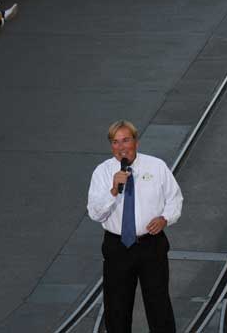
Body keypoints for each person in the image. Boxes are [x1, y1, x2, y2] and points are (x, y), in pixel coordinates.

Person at [87, 120, 183, 333]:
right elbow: (95, 213)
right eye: (115, 142)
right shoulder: (102, 173)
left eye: (126, 140)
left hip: (151, 244)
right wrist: (113, 190)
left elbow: (175, 199)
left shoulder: (156, 166)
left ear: (136, 142)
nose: (121, 147)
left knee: (158, 305)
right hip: (117, 247)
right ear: (111, 146)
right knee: (117, 308)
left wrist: (165, 218)